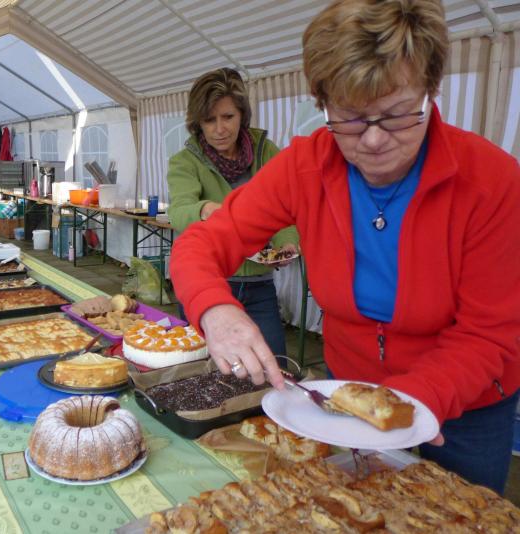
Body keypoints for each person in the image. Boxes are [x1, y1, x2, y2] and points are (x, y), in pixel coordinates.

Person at [170, 0, 520, 495]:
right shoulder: (304, 167)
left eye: (397, 115)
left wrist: (404, 405)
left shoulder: (493, 182)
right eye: (350, 118)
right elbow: (201, 242)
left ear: (431, 90)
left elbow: (487, 333)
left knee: (461, 513)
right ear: (322, 101)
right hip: (347, 391)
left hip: (468, 399)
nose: (373, 141)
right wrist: (215, 310)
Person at [167, 67, 298, 356]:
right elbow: (178, 212)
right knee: (202, 367)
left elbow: (285, 206)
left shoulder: (266, 152)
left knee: (273, 364)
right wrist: (204, 209)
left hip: (260, 286)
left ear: (242, 115)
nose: (220, 129)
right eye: (209, 120)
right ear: (197, 123)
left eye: (228, 117)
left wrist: (287, 242)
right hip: (208, 281)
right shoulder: (185, 161)